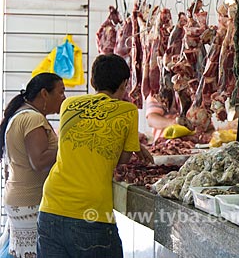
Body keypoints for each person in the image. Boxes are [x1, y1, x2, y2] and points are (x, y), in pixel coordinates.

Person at [37, 54, 153, 258]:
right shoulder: (128, 110)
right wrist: (132, 144)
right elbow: (121, 162)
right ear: (125, 84)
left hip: (50, 207)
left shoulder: (68, 105)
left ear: (92, 81)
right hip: (90, 212)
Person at [0, 73, 65, 258]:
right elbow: (39, 161)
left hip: (20, 198)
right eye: (61, 92)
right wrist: (68, 143)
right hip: (29, 201)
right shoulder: (32, 119)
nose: (64, 98)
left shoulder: (21, 114)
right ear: (44, 94)